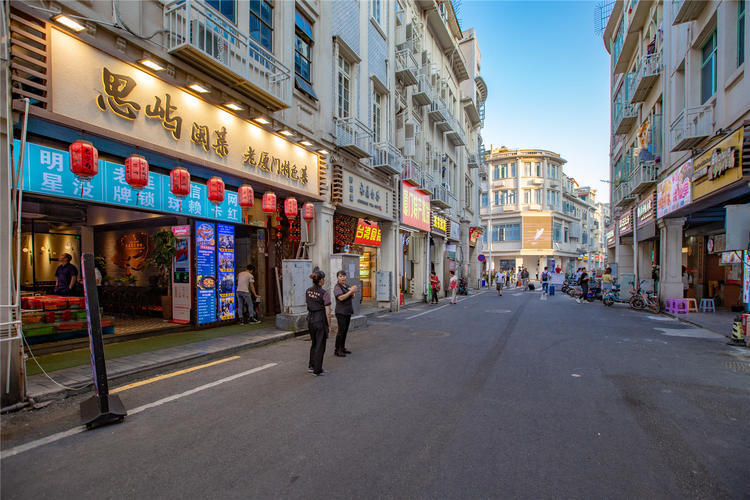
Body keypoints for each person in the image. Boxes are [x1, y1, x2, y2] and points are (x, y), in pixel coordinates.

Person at [306, 268, 331, 376]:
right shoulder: (324, 293)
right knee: (320, 345)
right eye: (323, 279)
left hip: (310, 319)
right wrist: (329, 325)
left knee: (314, 343)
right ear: (321, 281)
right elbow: (328, 311)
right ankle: (318, 369)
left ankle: (311, 366)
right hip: (320, 319)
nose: (324, 280)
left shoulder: (308, 290)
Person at [333, 270, 357, 357]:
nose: (342, 278)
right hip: (341, 312)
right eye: (340, 276)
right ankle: (337, 350)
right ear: (337, 277)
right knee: (341, 331)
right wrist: (351, 291)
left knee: (345, 331)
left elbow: (353, 296)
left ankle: (342, 348)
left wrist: (353, 291)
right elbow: (341, 298)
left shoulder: (347, 286)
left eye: (344, 276)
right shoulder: (337, 287)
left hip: (347, 311)